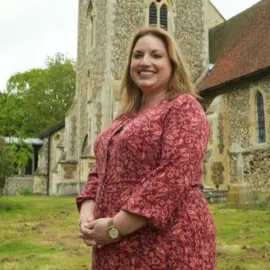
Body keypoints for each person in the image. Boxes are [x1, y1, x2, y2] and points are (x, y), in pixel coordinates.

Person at [76, 26, 216, 269]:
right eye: (138, 55)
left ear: (172, 64)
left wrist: (114, 227)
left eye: (156, 55)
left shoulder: (184, 107)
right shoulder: (124, 118)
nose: (145, 61)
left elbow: (173, 175)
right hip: (114, 248)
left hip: (167, 245)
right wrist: (87, 214)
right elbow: (101, 171)